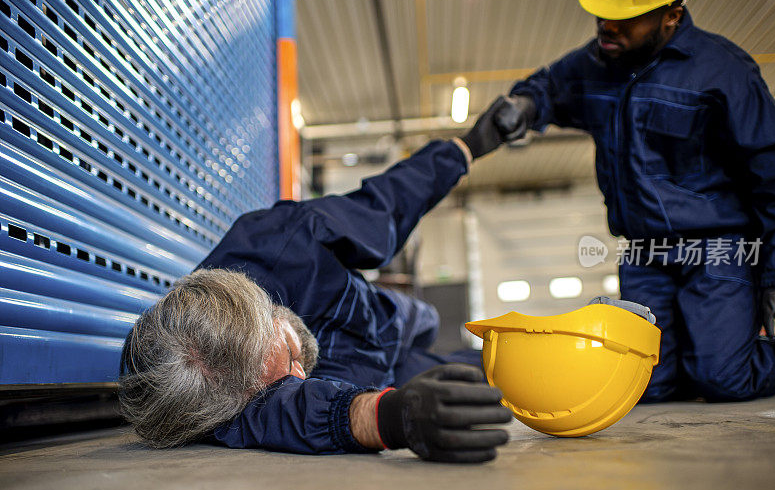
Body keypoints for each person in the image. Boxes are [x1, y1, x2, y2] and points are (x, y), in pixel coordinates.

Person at [119, 101, 515, 463]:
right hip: (369, 379)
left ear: (266, 309)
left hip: (386, 320)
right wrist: (385, 417)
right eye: (275, 389)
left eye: (290, 358)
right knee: (497, 381)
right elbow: (282, 412)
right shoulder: (197, 393)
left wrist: (466, 149)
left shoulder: (286, 241)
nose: (301, 377)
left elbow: (386, 206)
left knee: (444, 333)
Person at [493, 0, 775, 401]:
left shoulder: (722, 70)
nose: (606, 26)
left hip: (715, 248)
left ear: (670, 15)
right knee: (645, 386)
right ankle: (696, 363)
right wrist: (525, 105)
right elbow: (550, 85)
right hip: (642, 254)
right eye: (602, 15)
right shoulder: (597, 61)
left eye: (623, 19)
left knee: (723, 377)